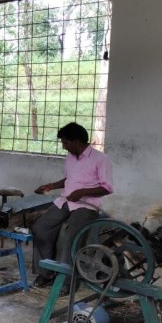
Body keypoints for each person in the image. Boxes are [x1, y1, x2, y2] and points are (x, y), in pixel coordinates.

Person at [32, 122, 113, 288]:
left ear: (77, 142)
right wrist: (51, 186)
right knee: (40, 229)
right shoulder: (70, 157)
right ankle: (46, 273)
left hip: (87, 205)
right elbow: (70, 179)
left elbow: (107, 188)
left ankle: (67, 282)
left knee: (71, 238)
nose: (64, 146)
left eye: (65, 143)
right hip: (66, 201)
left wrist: (82, 192)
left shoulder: (101, 159)